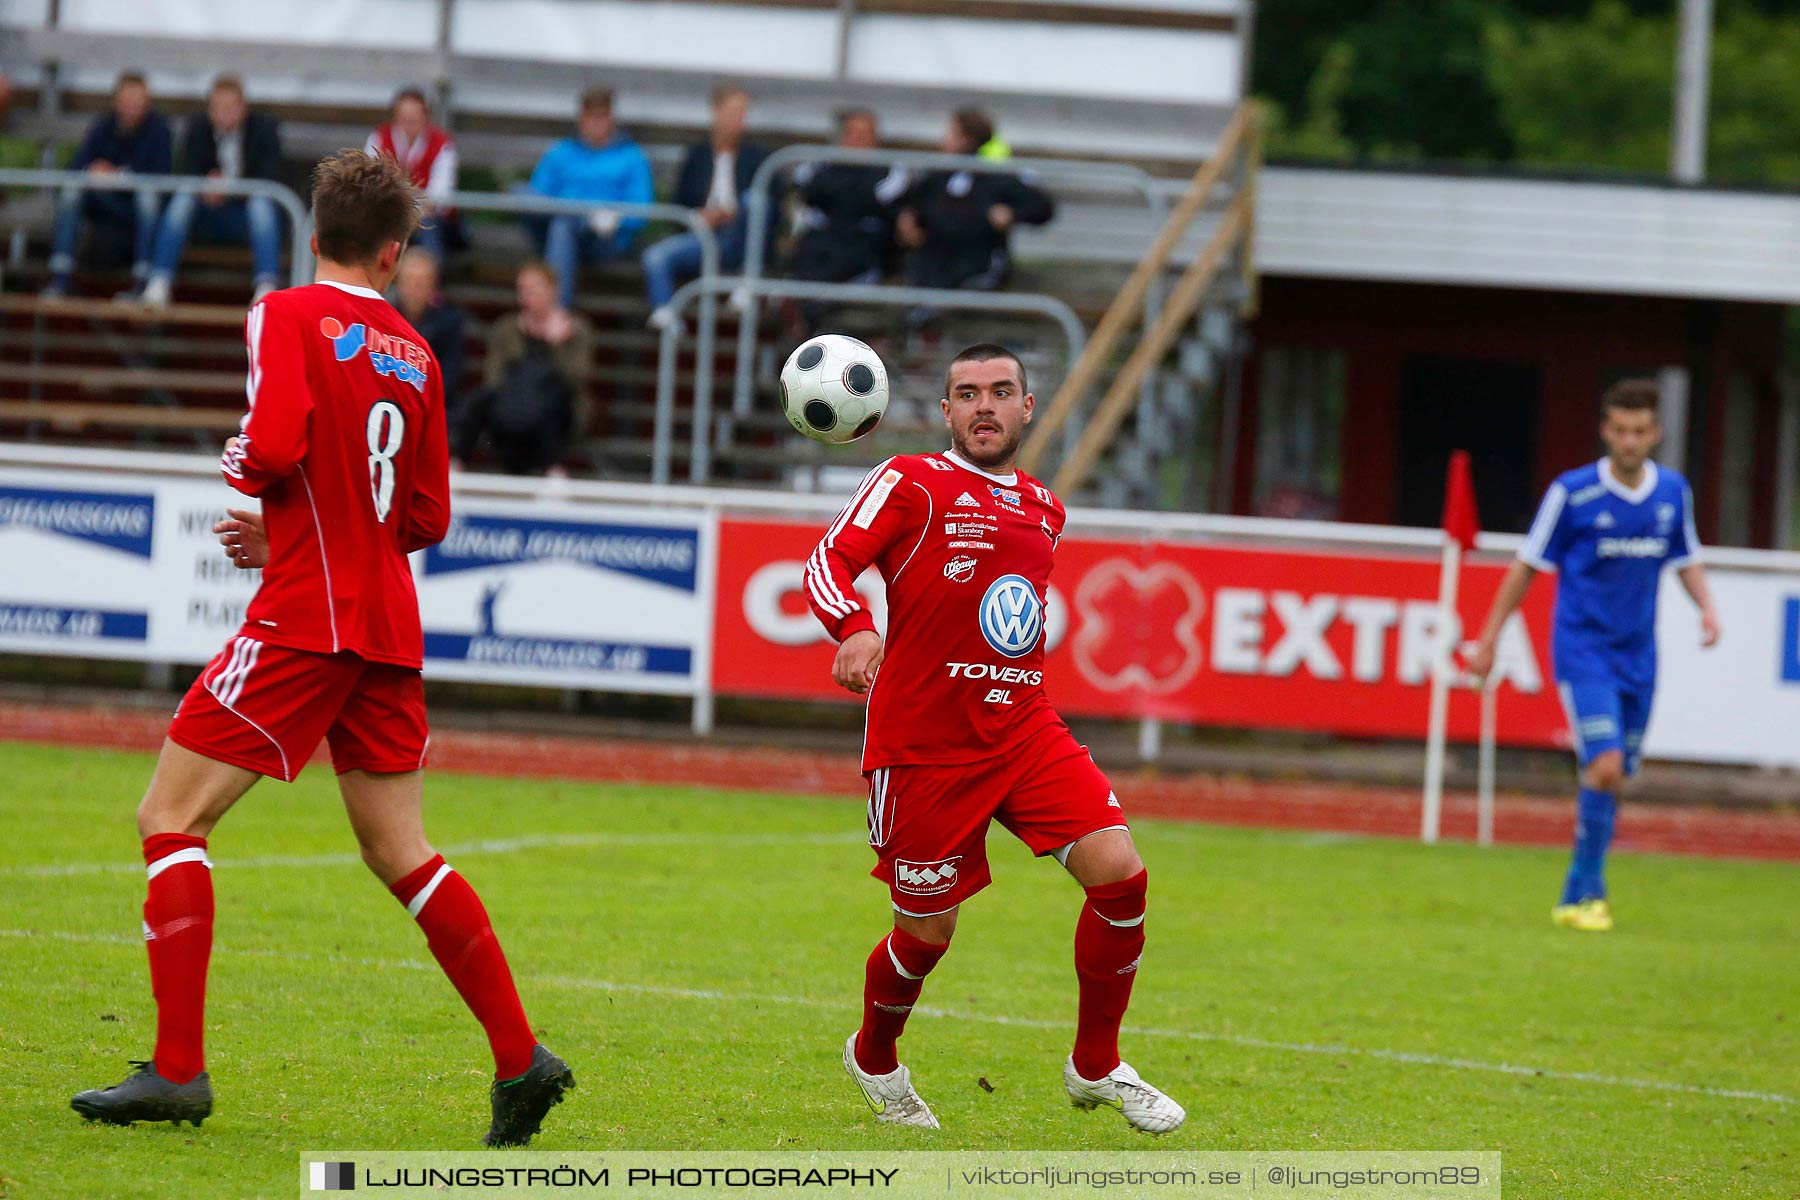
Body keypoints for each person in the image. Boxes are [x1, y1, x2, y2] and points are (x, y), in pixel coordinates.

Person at [69, 150, 574, 1146]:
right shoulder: (420, 355)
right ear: (394, 251)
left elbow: (278, 438)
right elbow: (424, 514)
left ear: (313, 234)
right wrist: (310, 528)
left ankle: (176, 1072)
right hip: (385, 623)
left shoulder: (288, 312)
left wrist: (250, 482)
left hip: (309, 618)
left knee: (169, 817)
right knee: (401, 850)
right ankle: (523, 1061)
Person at [805, 343, 1186, 1134]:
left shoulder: (1045, 505)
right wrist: (854, 628)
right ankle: (875, 1055)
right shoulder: (911, 480)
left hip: (1023, 728)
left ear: (1027, 406)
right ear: (946, 412)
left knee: (1121, 877)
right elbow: (827, 563)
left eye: (1000, 391)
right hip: (925, 745)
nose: (984, 406)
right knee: (927, 933)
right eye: (967, 394)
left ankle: (1096, 1064)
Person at [1468, 379, 1720, 933]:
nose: (1629, 441)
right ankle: (1581, 891)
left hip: (1640, 655)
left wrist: (1706, 608)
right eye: (1620, 430)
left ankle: (1584, 889)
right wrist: (1489, 638)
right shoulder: (1573, 493)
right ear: (1606, 431)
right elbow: (1526, 565)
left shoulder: (1672, 492)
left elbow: (1687, 555)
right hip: (1584, 649)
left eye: (1640, 431)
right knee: (1604, 764)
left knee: (1617, 773)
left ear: (1655, 434)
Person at [140, 75, 284, 307]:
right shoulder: (197, 127)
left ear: (243, 108)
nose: (223, 114)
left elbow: (270, 175)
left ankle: (266, 286)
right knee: (184, 197)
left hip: (243, 218)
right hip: (204, 216)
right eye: (217, 108)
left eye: (229, 108)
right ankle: (159, 280)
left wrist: (230, 187)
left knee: (261, 202)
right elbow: (186, 170)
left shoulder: (264, 129)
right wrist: (205, 187)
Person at [897, 110, 1052, 319]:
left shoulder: (994, 179)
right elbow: (913, 207)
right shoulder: (935, 178)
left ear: (967, 140)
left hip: (976, 264)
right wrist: (908, 221)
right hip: (934, 264)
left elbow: (1042, 207)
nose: (944, 139)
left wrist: (1012, 213)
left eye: (951, 133)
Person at [641, 85, 768, 330]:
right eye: (733, 112)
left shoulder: (756, 157)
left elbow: (769, 204)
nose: (738, 120)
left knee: (754, 200)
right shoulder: (697, 156)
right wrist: (699, 216)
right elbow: (678, 204)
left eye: (742, 113)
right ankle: (667, 319)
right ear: (716, 113)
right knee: (655, 256)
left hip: (740, 238)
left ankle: (748, 280)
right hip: (703, 236)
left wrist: (735, 212)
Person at [451, 260, 594, 477]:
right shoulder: (505, 329)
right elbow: (493, 378)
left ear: (552, 290)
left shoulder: (576, 331)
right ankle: (456, 464)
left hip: (556, 414)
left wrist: (554, 346)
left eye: (534, 290)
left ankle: (552, 469)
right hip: (510, 409)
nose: (527, 297)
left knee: (551, 399)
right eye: (523, 290)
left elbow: (576, 380)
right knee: (479, 400)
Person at [44, 71, 171, 297]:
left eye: (137, 102)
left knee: (148, 198)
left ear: (147, 103)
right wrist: (93, 171)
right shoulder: (103, 126)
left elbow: (160, 175)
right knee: (72, 192)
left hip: (134, 207)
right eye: (126, 102)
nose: (131, 107)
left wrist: (118, 176)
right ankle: (60, 277)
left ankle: (142, 281)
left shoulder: (159, 129)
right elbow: (77, 167)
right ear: (116, 102)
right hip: (102, 205)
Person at [784, 108, 909, 337]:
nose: (858, 140)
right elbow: (806, 191)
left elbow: (882, 201)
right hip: (823, 242)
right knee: (808, 250)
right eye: (853, 133)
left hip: (865, 244)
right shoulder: (820, 164)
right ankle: (806, 315)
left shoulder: (890, 169)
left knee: (848, 253)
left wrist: (839, 193)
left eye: (865, 134)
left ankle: (811, 316)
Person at [526, 87, 652, 310]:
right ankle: (556, 313)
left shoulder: (631, 157)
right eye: (590, 117)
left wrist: (614, 220)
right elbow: (537, 196)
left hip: (605, 241)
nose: (595, 123)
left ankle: (556, 311)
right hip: (557, 230)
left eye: (601, 117)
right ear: (580, 119)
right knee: (525, 196)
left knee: (562, 226)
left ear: (611, 119)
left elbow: (641, 211)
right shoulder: (561, 152)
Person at [365, 86, 460, 260]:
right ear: (396, 117)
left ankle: (426, 281)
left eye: (414, 119)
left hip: (429, 220)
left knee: (429, 230)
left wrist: (402, 204)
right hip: (390, 214)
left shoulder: (441, 143)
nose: (409, 124)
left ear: (425, 117)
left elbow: (440, 198)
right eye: (404, 118)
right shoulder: (380, 137)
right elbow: (370, 184)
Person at [393, 247, 466, 410]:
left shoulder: (448, 324)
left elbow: (450, 374)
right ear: (398, 283)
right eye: (409, 281)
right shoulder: (383, 319)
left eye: (421, 283)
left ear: (433, 286)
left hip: (432, 405)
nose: (414, 289)